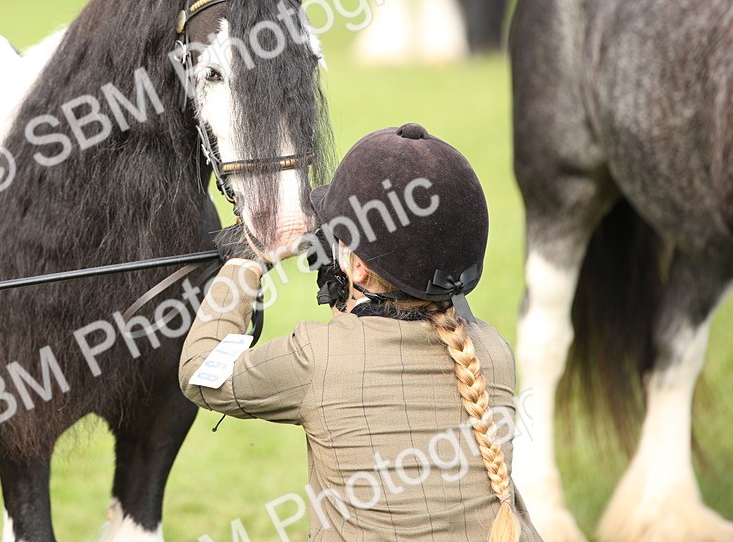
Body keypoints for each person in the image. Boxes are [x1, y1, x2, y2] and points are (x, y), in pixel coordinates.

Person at [179, 123, 542, 541]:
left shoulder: (318, 358)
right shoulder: (494, 353)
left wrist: (248, 261)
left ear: (357, 265)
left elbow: (199, 369)